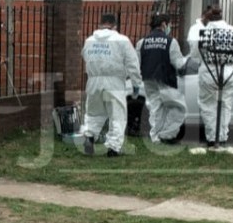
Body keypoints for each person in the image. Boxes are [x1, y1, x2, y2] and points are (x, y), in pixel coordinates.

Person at [80, 13, 143, 157]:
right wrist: (136, 83)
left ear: (100, 24)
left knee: (94, 113)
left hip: (93, 81)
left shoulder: (89, 40)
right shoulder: (122, 40)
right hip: (114, 82)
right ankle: (113, 148)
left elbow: (85, 56)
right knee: (117, 116)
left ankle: (89, 137)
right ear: (115, 26)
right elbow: (132, 63)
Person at [188, 5, 233, 149]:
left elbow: (195, 55)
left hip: (210, 72)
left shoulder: (203, 32)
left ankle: (212, 138)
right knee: (225, 105)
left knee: (208, 105)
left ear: (207, 18)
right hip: (231, 73)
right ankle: (223, 137)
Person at [136, 14, 188, 143]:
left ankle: (155, 137)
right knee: (178, 108)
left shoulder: (141, 42)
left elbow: (136, 62)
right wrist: (187, 61)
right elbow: (178, 63)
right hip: (165, 79)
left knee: (155, 108)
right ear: (164, 24)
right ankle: (167, 135)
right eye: (169, 24)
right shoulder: (171, 41)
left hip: (148, 78)